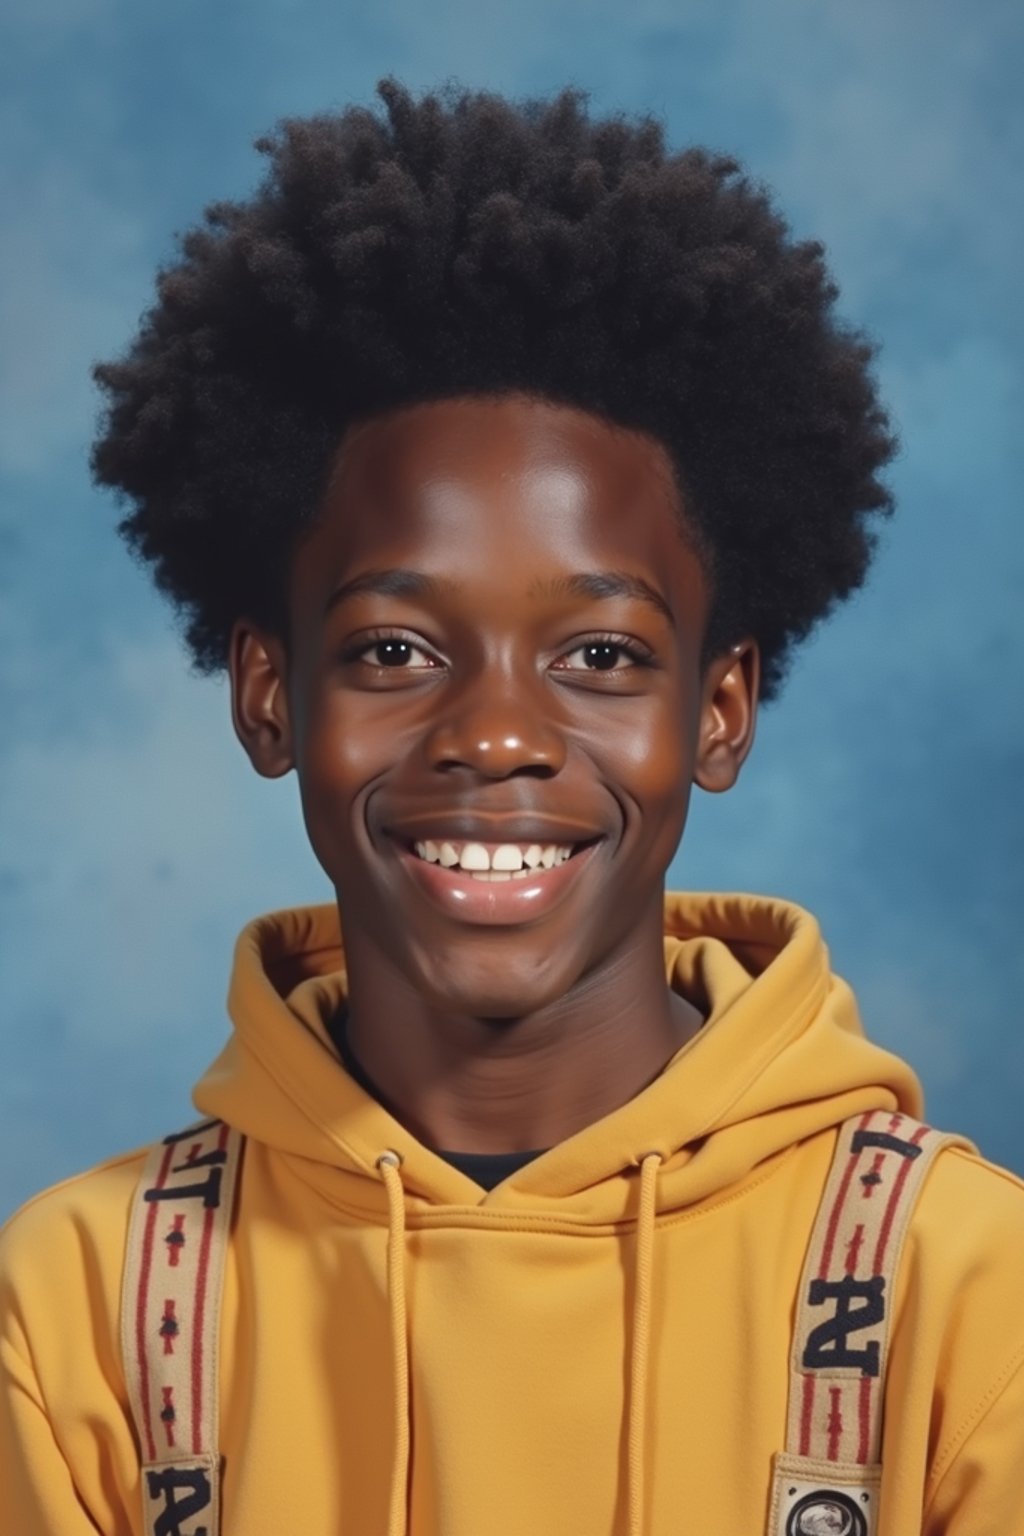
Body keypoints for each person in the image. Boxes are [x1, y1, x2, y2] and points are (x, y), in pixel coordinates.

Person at [1, 76, 1021, 1536]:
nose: (493, 735)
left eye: (599, 655)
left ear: (716, 711)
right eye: (395, 651)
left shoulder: (967, 1297)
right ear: (268, 698)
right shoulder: (84, 1319)